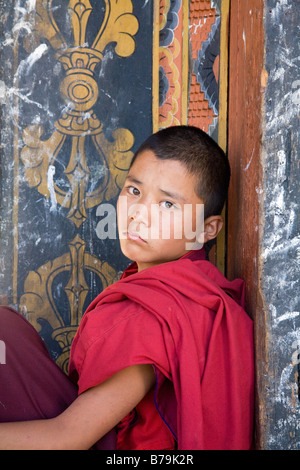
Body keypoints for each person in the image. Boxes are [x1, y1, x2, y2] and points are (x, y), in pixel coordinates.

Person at [0, 125, 254, 450]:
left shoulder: (159, 313)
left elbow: (67, 439)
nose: (138, 215)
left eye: (167, 205)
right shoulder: (180, 287)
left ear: (208, 229)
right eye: (134, 192)